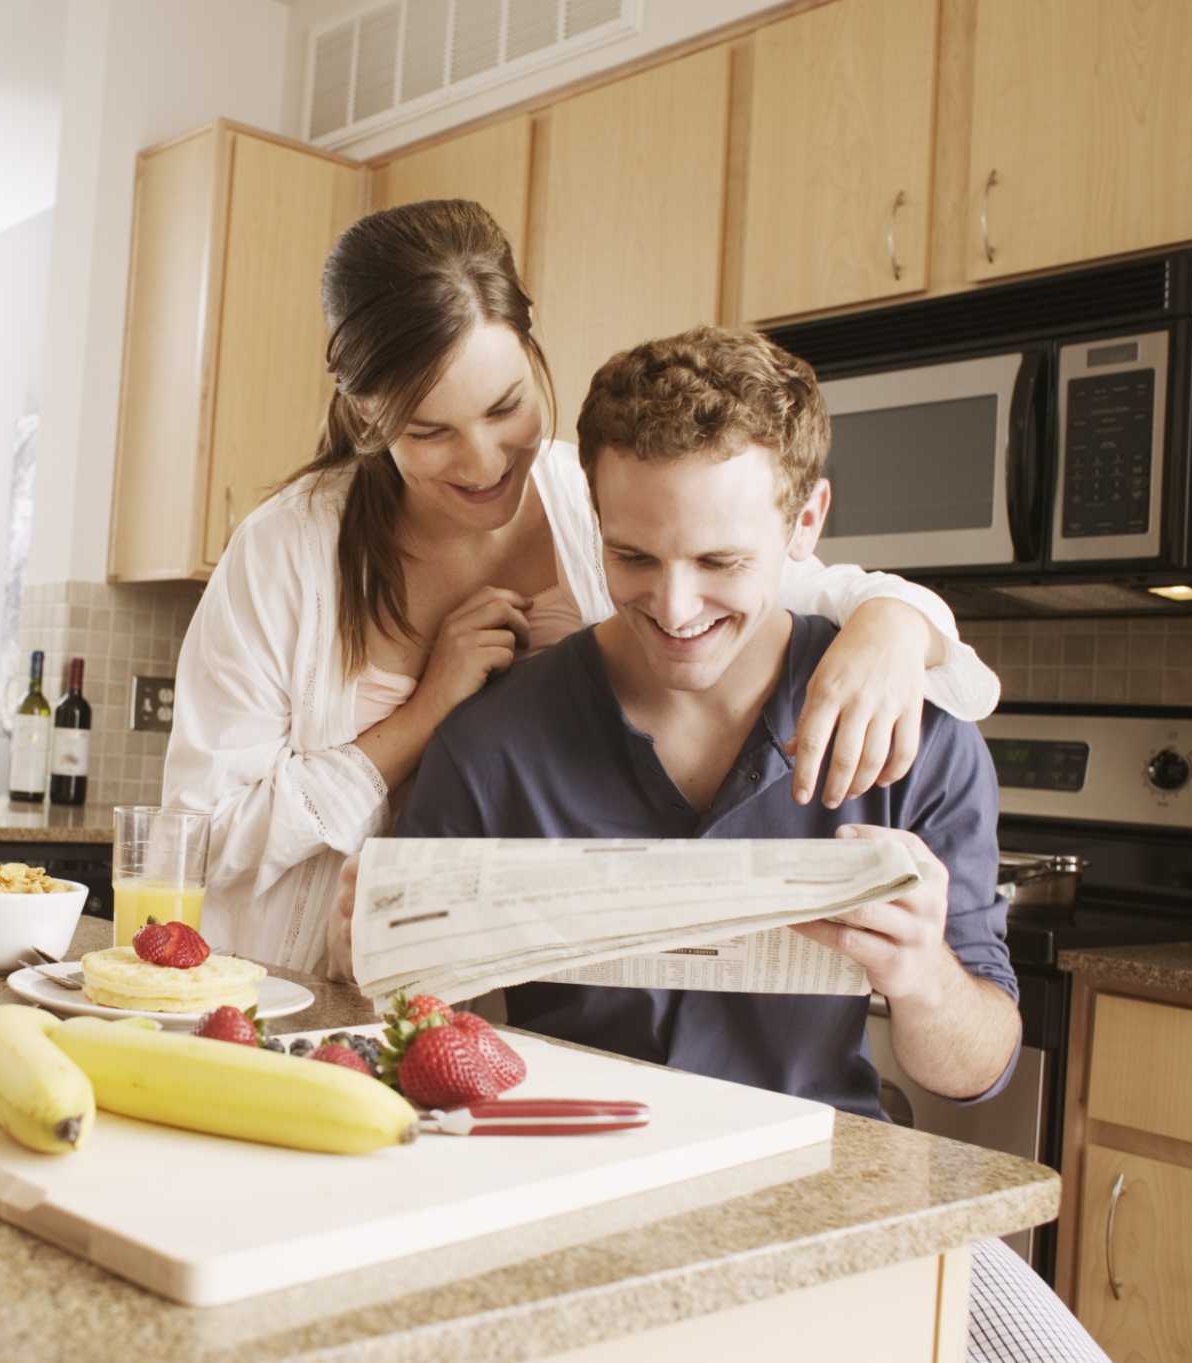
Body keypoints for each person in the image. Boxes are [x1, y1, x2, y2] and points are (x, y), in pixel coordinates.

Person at [371, 325, 1104, 1363]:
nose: (672, 608)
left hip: (833, 1200)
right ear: (594, 518)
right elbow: (413, 1032)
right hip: (571, 1209)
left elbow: (971, 1071)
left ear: (805, 521)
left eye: (720, 561)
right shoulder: (496, 744)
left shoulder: (919, 744)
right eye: (631, 555)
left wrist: (924, 977)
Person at [164, 199, 1000, 975]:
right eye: (430, 431)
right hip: (287, 990)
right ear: (368, 416)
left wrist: (896, 624)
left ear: (534, 354)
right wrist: (425, 717)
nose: (485, 461)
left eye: (505, 408)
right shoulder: (285, 551)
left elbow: (789, 575)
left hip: (488, 1010)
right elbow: (197, 845)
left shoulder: (592, 498)